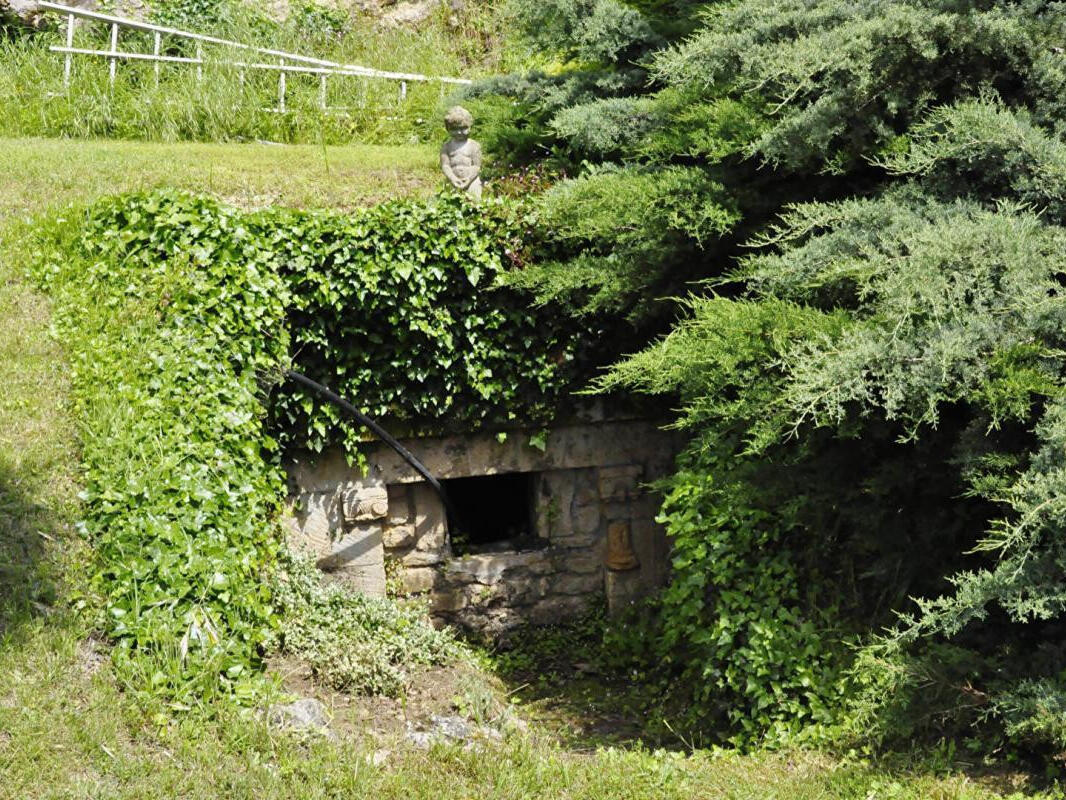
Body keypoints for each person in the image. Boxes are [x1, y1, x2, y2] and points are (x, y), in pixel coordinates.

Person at [439, 105, 482, 201]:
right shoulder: (446, 147)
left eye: (463, 128)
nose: (459, 132)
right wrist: (453, 178)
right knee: (449, 203)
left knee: (474, 202)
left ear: (470, 127)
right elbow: (445, 165)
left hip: (471, 182)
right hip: (452, 181)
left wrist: (469, 179)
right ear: (448, 129)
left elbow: (476, 166)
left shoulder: (474, 146)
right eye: (454, 129)